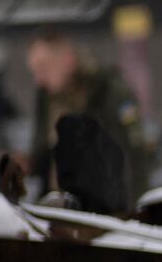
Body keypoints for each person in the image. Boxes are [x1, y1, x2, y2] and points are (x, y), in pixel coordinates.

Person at [24, 32, 147, 212]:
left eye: (44, 68)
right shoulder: (47, 98)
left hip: (104, 209)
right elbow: (43, 149)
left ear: (67, 60)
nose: (39, 79)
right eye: (35, 71)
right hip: (58, 207)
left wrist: (133, 212)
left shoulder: (109, 93)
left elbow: (135, 156)